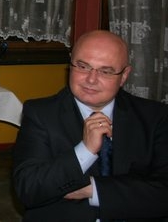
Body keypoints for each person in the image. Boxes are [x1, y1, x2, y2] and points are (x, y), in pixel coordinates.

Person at [12, 30, 168, 221]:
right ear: (70, 65)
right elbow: (28, 190)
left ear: (124, 75)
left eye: (105, 71)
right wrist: (84, 151)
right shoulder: (40, 114)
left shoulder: (155, 117)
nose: (91, 79)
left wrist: (94, 190)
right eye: (83, 66)